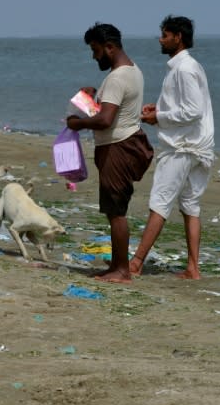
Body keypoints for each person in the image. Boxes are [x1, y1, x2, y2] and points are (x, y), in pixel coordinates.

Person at [66, 23, 154, 283]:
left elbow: (105, 120)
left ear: (110, 47)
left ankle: (122, 271)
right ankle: (117, 265)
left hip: (118, 147)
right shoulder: (132, 71)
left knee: (116, 211)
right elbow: (112, 112)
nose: (94, 56)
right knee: (113, 208)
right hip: (123, 143)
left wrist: (77, 124)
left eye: (95, 51)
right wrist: (93, 98)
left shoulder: (117, 78)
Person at [129, 15, 214, 280]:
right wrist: (159, 109)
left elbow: (193, 110)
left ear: (178, 37)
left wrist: (159, 117)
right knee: (190, 204)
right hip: (197, 144)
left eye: (165, 35)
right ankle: (193, 268)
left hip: (184, 147)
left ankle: (136, 263)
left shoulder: (185, 68)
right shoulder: (185, 66)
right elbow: (186, 106)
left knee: (160, 202)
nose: (161, 39)